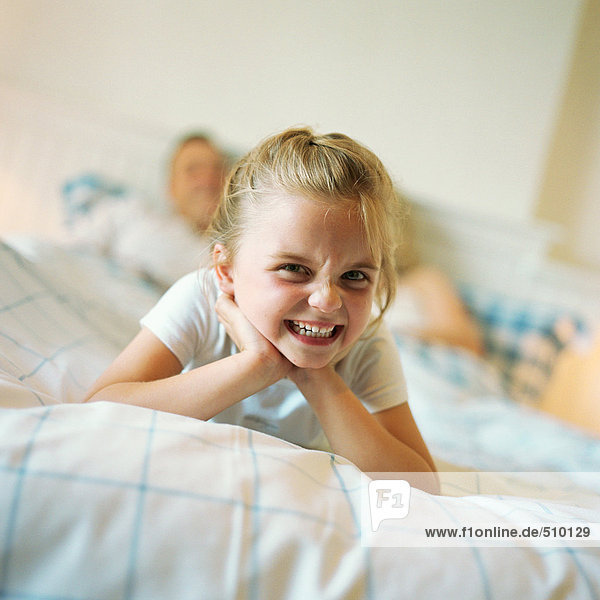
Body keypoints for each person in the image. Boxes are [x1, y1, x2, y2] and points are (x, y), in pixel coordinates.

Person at [84, 126, 438, 490]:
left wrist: (314, 377)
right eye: (294, 269)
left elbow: (423, 486)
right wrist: (256, 364)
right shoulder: (200, 299)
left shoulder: (367, 341)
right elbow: (98, 409)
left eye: (354, 275)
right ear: (226, 271)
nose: (327, 301)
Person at [63, 132, 228, 288]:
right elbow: (71, 256)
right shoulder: (130, 211)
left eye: (217, 171)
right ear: (171, 187)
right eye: (193, 170)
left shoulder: (226, 259)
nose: (208, 180)